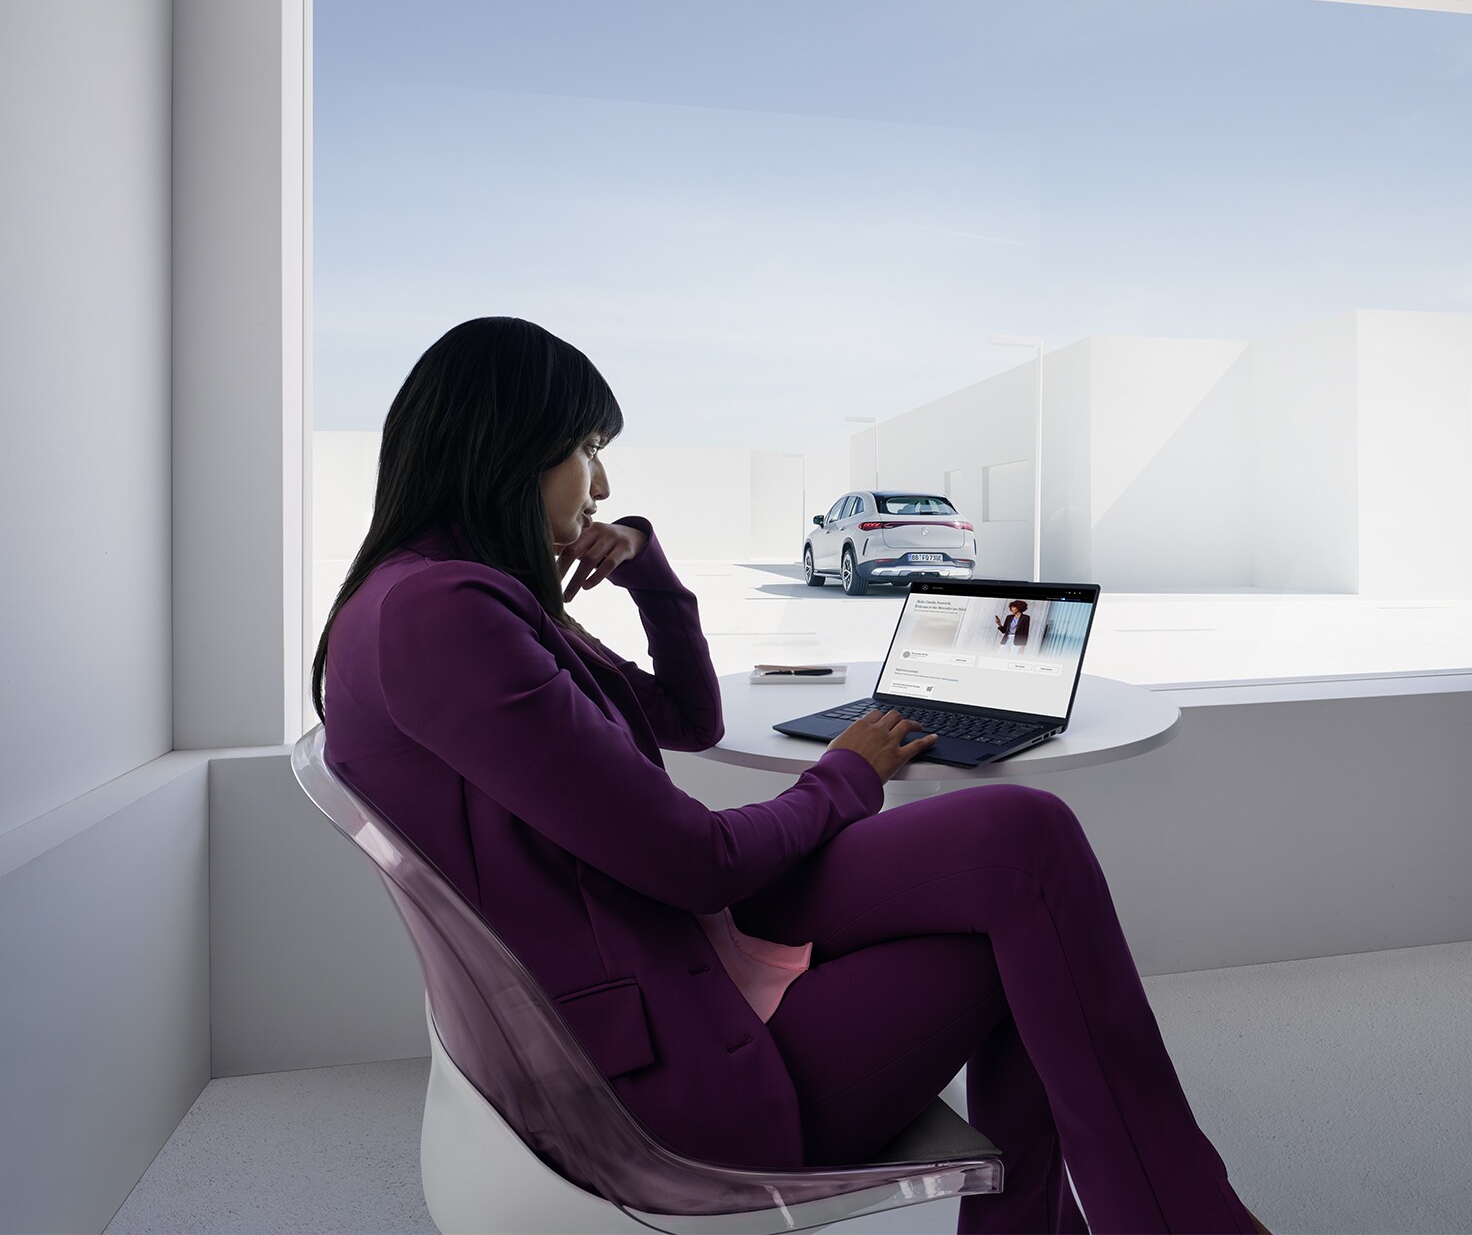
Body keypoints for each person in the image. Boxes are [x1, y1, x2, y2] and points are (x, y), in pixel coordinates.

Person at [315, 317, 1271, 1235]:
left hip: (664, 946)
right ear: (503, 451)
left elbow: (692, 719)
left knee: (1023, 835)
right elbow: (697, 862)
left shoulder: (450, 593)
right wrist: (847, 773)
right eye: (583, 450)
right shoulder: (442, 618)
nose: (599, 484)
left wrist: (647, 569)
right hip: (667, 1075)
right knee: (1030, 944)